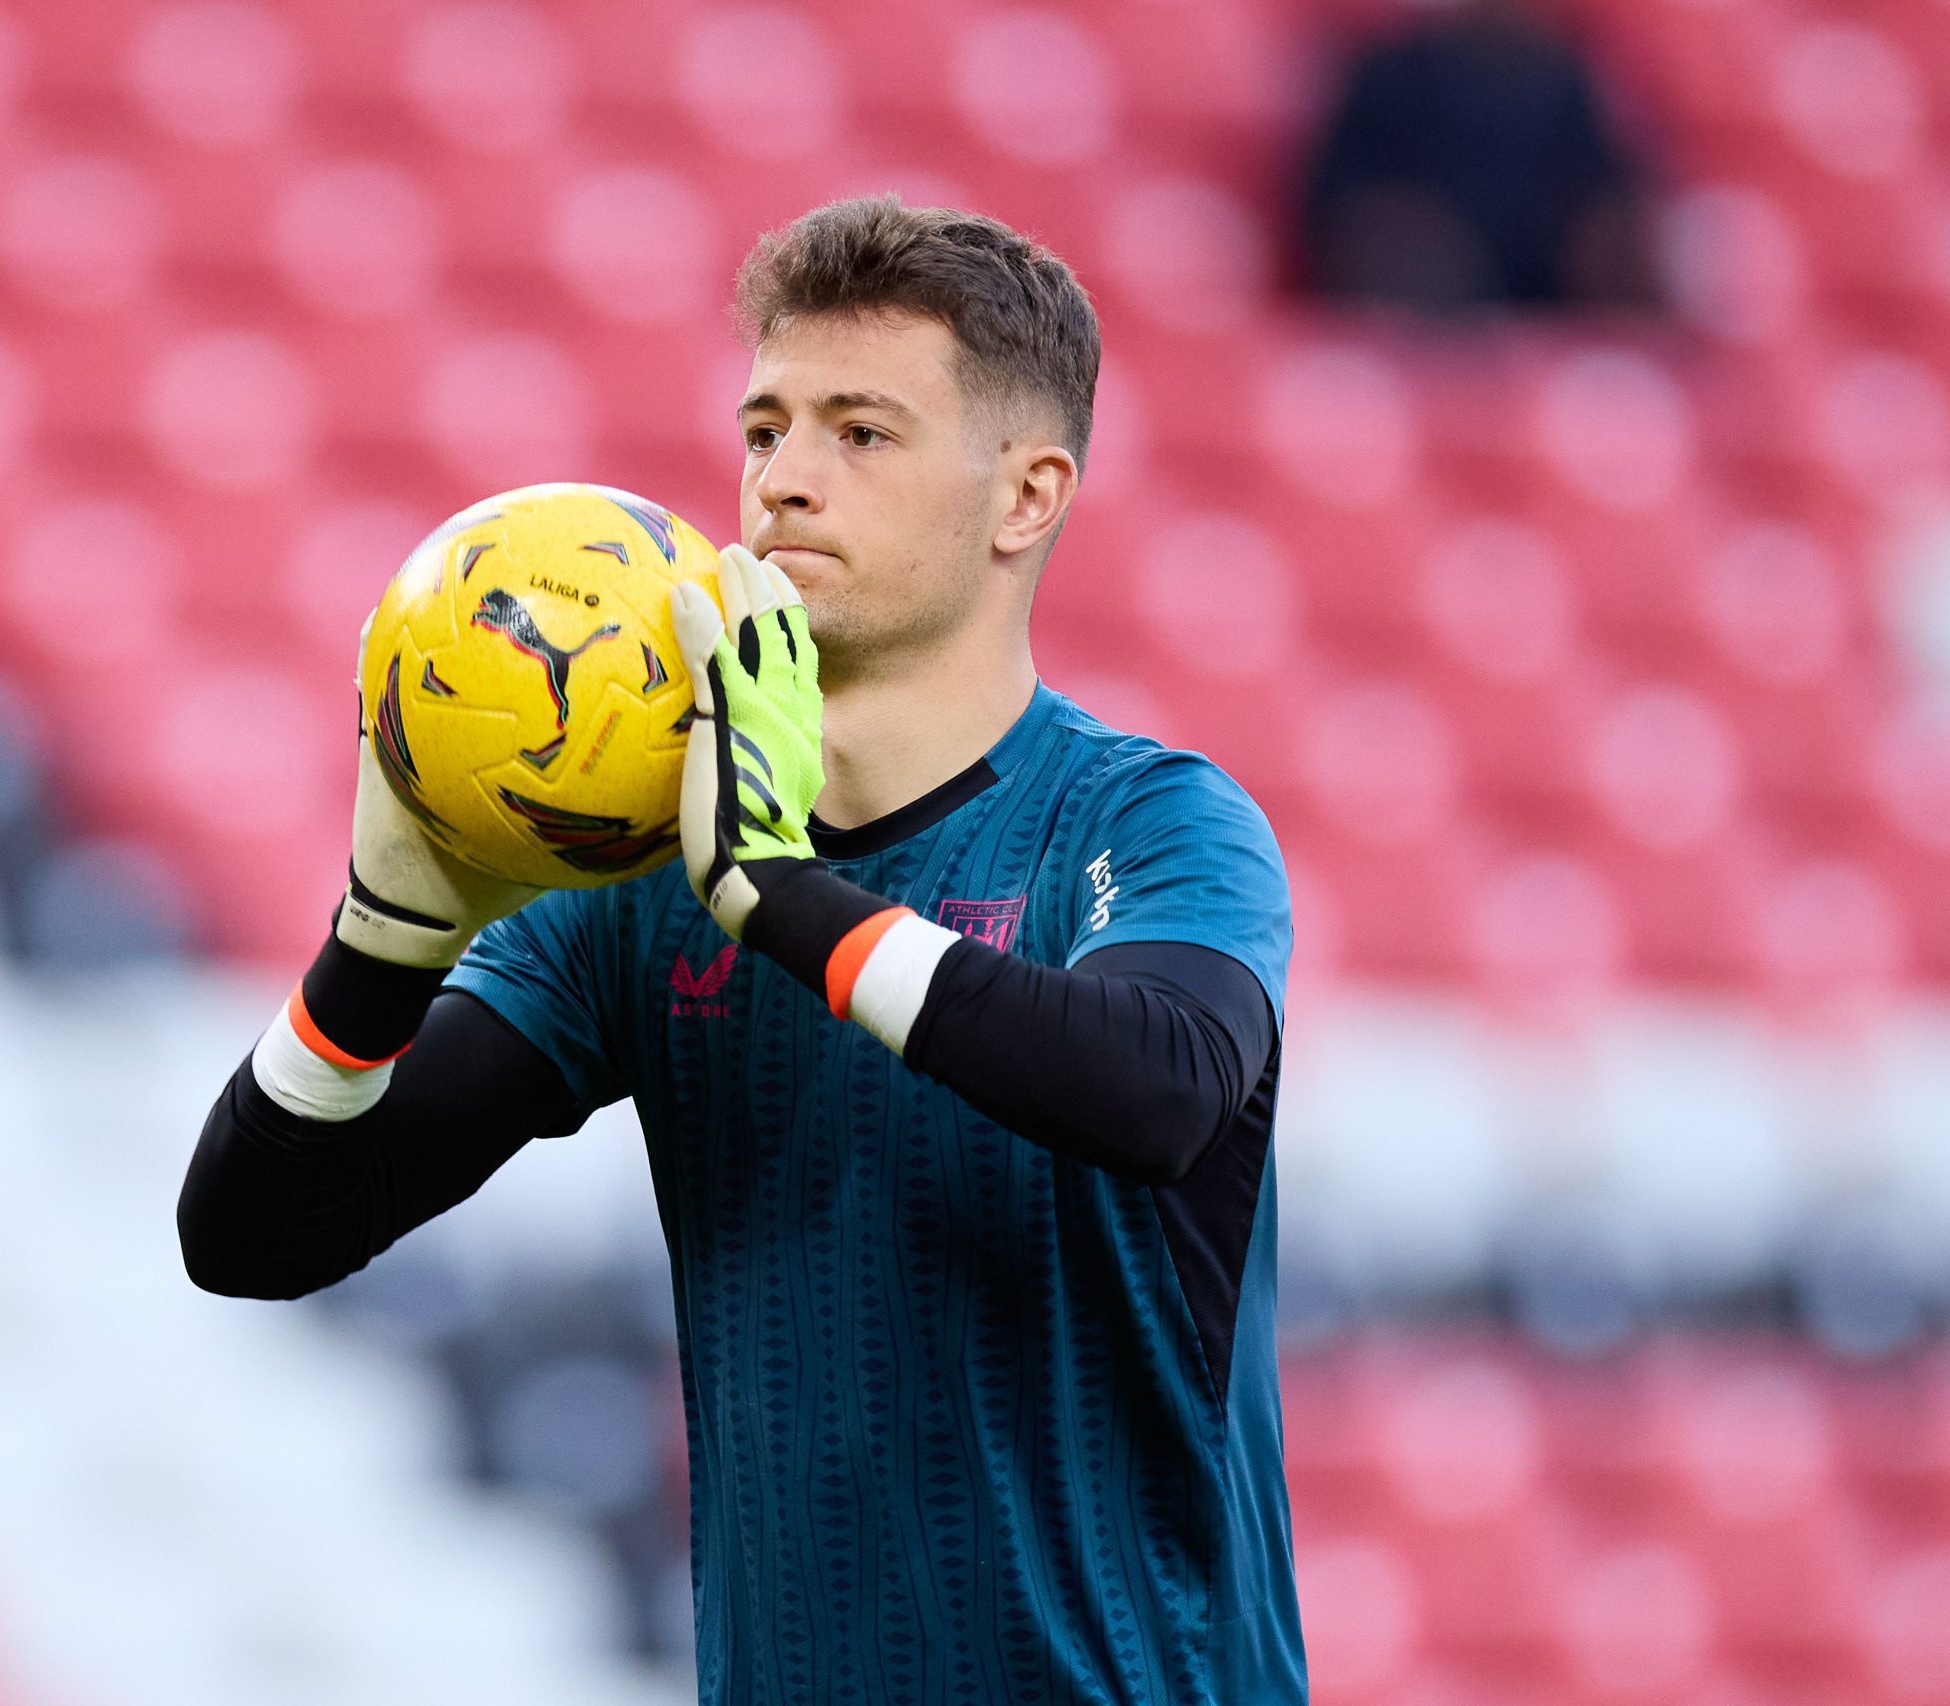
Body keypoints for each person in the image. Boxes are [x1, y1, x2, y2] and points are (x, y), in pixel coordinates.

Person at [181, 197, 1302, 1705]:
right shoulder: (654, 887)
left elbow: (1156, 1089)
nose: (783, 480)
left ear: (1025, 497)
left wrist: (782, 899)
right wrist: (378, 950)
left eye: (862, 431)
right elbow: (253, 1236)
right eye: (765, 427)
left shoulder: (1150, 820)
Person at [1298, 0, 1656, 312]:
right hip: (1424, 309)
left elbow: (1603, 196)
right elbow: (1338, 201)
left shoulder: (1566, 81)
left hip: (1554, 297)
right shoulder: (1393, 74)